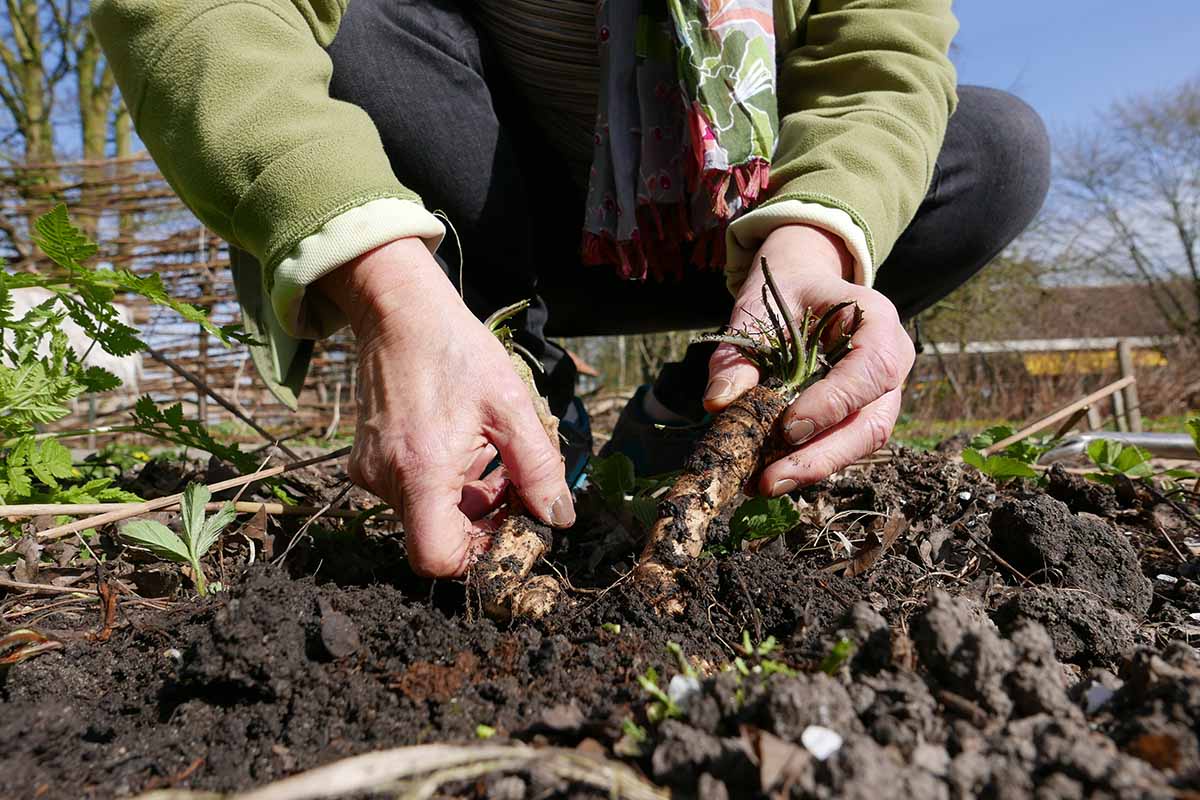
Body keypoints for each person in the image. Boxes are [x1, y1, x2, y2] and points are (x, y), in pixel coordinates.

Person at [94, 0, 1050, 579]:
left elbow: (881, 62)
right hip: (466, 219)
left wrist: (814, 237)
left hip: (721, 224)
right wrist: (385, 283)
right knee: (361, 27)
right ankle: (518, 409)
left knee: (993, 149)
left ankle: (695, 409)